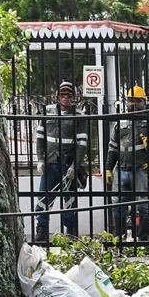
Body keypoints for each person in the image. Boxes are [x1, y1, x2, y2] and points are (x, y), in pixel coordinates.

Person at [105, 85, 149, 242]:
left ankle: (143, 240)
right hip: (122, 170)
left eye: (137, 101)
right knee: (118, 205)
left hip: (143, 170)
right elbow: (113, 147)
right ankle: (120, 239)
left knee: (144, 205)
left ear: (144, 102)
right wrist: (109, 169)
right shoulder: (121, 122)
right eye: (130, 101)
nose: (133, 104)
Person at [34, 81, 89, 243]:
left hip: (68, 165)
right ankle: (42, 231)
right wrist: (40, 159)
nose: (65, 98)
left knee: (70, 200)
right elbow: (40, 138)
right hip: (50, 164)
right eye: (63, 95)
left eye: (69, 95)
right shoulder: (48, 112)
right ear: (58, 96)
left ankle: (70, 233)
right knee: (44, 198)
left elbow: (82, 144)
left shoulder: (79, 116)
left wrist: (75, 166)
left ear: (73, 98)